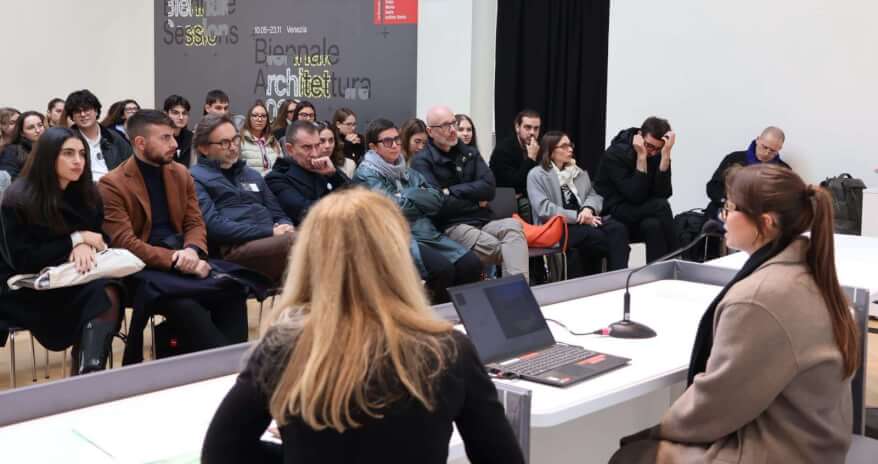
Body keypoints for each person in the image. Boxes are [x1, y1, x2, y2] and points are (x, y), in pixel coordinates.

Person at [201, 187, 525, 464]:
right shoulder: (448, 350)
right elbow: (501, 456)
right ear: (397, 256)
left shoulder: (284, 348)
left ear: (310, 258)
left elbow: (221, 453)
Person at [610, 164, 858, 463]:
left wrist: (657, 431)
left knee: (632, 454)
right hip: (813, 443)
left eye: (729, 207)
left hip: (781, 452)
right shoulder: (807, 272)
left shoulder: (760, 297)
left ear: (765, 222)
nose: (722, 216)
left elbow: (716, 405)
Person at [98, 110, 250, 364]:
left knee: (233, 291)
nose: (174, 144)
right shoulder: (112, 184)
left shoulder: (180, 173)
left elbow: (195, 222)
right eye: (165, 138)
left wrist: (191, 250)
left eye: (173, 136)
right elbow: (125, 243)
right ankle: (232, 368)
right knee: (185, 305)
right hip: (142, 269)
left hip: (185, 258)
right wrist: (176, 259)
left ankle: (228, 368)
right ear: (140, 143)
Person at [0, 127, 122, 375]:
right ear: (48, 157)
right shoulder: (18, 198)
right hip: (27, 287)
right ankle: (88, 373)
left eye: (82, 154)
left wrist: (86, 243)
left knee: (108, 290)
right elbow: (23, 259)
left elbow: (100, 237)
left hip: (72, 278)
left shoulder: (87, 194)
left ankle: (90, 369)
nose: (78, 161)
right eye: (68, 153)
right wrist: (76, 239)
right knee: (99, 294)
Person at [353, 118, 482, 304]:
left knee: (471, 264)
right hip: (396, 237)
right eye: (387, 141)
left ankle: (456, 311)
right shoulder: (366, 174)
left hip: (425, 232)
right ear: (373, 147)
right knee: (442, 269)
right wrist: (417, 198)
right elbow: (391, 209)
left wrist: (404, 195)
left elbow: (436, 200)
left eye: (397, 139)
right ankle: (430, 314)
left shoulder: (406, 170)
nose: (395, 145)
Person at [412, 106, 529, 281]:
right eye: (445, 126)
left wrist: (451, 191)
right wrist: (475, 201)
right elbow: (438, 204)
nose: (453, 130)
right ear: (430, 132)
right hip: (452, 226)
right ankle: (516, 292)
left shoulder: (469, 152)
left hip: (483, 220)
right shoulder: (422, 161)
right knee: (510, 249)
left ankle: (517, 293)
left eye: (453, 123)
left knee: (514, 227)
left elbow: (489, 187)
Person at [191, 114, 295, 284]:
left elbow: (278, 213)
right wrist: (269, 231)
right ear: (204, 148)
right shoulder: (195, 178)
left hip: (271, 240)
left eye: (235, 139)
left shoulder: (251, 175)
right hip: (233, 248)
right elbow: (214, 226)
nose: (233, 147)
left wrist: (286, 226)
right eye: (224, 143)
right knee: (299, 242)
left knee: (317, 236)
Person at [527, 131, 630, 275]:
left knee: (618, 229)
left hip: (585, 219)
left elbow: (593, 195)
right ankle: (615, 279)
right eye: (564, 146)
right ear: (550, 151)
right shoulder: (537, 174)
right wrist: (578, 217)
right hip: (559, 226)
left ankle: (618, 280)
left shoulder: (576, 171)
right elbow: (544, 209)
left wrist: (588, 209)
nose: (570, 149)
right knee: (604, 240)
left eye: (570, 145)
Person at [594, 116, 676, 263]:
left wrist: (665, 156)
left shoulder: (657, 153)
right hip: (613, 210)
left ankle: (657, 273)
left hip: (638, 209)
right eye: (649, 146)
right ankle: (680, 256)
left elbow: (663, 193)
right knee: (661, 206)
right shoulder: (616, 154)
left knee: (653, 225)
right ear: (639, 136)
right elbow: (634, 195)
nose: (652, 152)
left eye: (658, 148)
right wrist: (641, 159)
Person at [266, 121, 349, 226]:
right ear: (290, 149)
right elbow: (307, 212)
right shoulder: (277, 178)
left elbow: (356, 196)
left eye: (317, 145)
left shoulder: (325, 168)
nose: (315, 154)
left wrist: (333, 175)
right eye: (307, 147)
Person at [705, 126, 791, 219]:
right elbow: (713, 187)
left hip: (758, 220)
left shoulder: (784, 171)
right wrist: (725, 200)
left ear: (780, 148)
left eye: (772, 151)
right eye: (764, 147)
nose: (766, 153)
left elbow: (787, 203)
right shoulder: (734, 158)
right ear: (758, 140)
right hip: (724, 214)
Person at [64, 89, 132, 181]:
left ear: (96, 111)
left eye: (86, 109)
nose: (83, 114)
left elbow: (130, 164)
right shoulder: (67, 140)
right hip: (82, 187)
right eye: (77, 111)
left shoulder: (113, 137)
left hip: (113, 186)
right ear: (72, 117)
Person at [489, 109, 541, 222]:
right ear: (517, 127)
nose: (532, 132)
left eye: (536, 128)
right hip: (505, 198)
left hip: (530, 195)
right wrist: (531, 159)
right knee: (527, 204)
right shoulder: (503, 150)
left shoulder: (538, 148)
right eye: (528, 127)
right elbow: (514, 183)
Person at [238, 100, 282, 175]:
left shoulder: (274, 141)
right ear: (249, 118)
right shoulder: (240, 140)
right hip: (250, 181)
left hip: (273, 181)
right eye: (255, 115)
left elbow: (281, 167)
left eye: (263, 116)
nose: (259, 119)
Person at [0, 111, 45, 179]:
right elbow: (9, 178)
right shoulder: (12, 150)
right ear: (22, 133)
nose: (38, 130)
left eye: (40, 125)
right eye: (31, 127)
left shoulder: (50, 146)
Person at [163, 94, 194, 167]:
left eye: (184, 113)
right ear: (166, 114)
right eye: (175, 113)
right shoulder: (160, 138)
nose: (181, 117)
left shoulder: (192, 138)